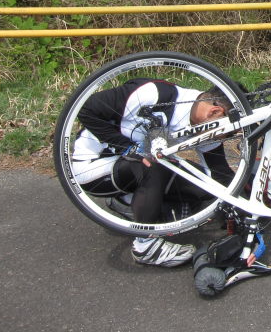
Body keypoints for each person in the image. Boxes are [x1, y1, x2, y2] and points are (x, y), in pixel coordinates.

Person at [70, 78, 234, 267]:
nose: (226, 137)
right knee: (155, 160)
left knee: (203, 188)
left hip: (136, 168)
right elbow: (85, 108)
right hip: (94, 166)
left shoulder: (207, 123)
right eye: (228, 133)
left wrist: (253, 200)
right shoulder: (154, 94)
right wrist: (127, 149)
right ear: (215, 111)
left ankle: (128, 202)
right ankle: (145, 247)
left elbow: (219, 174)